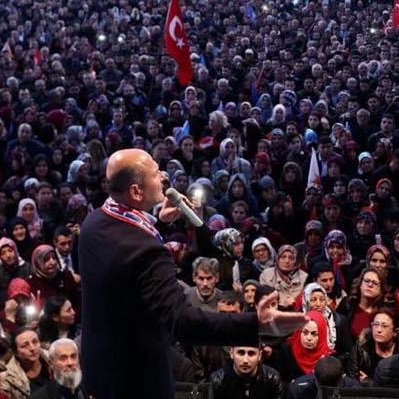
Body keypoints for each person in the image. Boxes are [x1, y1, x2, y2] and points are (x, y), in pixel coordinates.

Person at [78, 148, 306, 399]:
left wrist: (158, 221)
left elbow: (124, 266)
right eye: (156, 174)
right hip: (135, 380)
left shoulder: (93, 223)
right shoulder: (145, 250)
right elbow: (182, 321)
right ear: (136, 191)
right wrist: (256, 323)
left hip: (100, 372)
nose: (164, 177)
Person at [209, 345, 285, 399]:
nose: (245, 360)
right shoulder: (217, 380)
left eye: (251, 353)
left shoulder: (272, 378)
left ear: (260, 356)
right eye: (241, 353)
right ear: (231, 353)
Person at [0, 328, 52, 399]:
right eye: (24, 346)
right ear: (16, 352)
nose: (32, 348)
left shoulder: (54, 359)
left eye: (35, 342)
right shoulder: (7, 378)